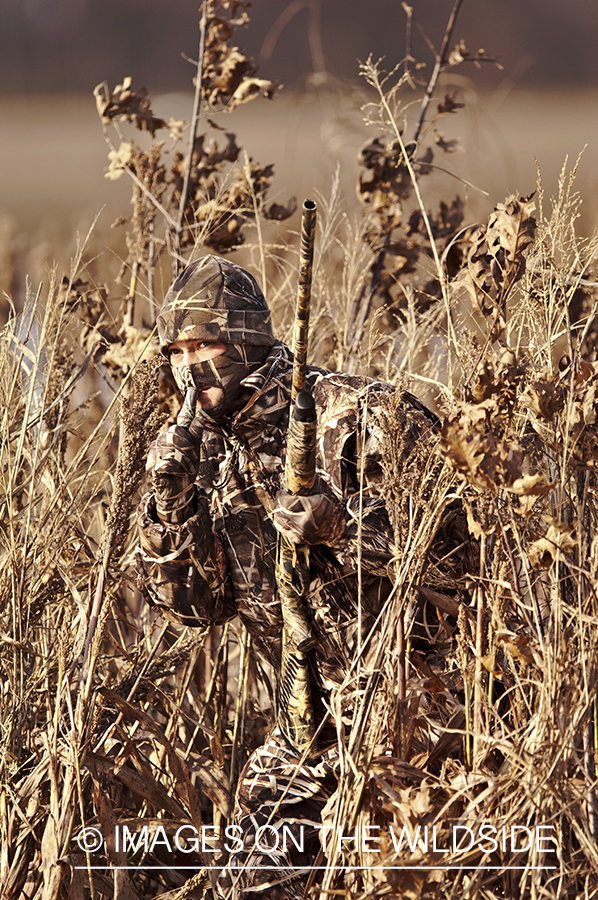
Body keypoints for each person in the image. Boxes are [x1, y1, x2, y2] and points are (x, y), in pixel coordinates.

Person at [136, 254, 446, 898]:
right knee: (249, 881)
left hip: (421, 704)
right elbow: (197, 609)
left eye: (207, 343)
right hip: (308, 723)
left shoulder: (358, 414)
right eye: (176, 350)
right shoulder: (210, 456)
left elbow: (457, 541)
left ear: (246, 339)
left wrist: (346, 527)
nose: (190, 366)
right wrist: (172, 500)